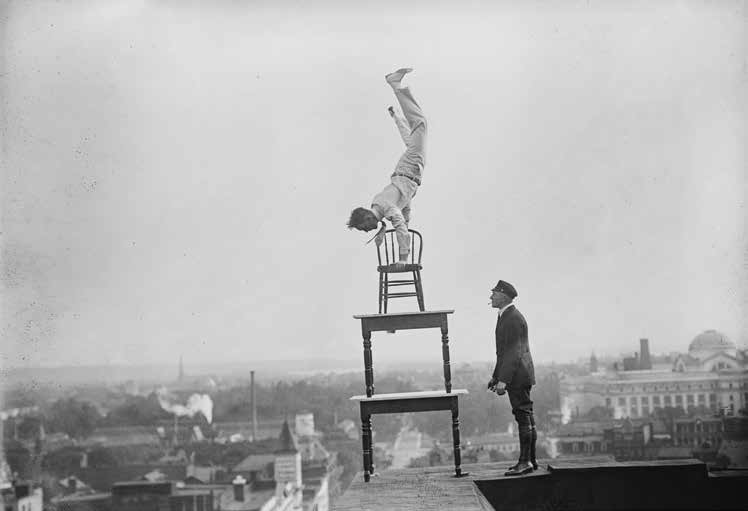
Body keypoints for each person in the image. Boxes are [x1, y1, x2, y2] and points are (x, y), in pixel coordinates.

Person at [347, 67, 427, 267]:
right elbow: (405, 208)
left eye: (364, 227)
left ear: (366, 217)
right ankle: (397, 109)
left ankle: (395, 84)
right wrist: (396, 119)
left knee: (420, 123)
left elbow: (399, 221)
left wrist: (403, 257)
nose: (367, 231)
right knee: (412, 138)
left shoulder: (384, 205)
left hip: (409, 170)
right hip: (411, 172)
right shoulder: (385, 207)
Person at [487, 280, 538, 476]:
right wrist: (495, 376)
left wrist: (504, 380)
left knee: (523, 417)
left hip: (517, 376)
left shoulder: (513, 318)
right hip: (519, 374)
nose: (491, 297)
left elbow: (514, 353)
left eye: (494, 294)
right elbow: (504, 352)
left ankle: (525, 463)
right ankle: (531, 461)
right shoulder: (506, 316)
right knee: (526, 416)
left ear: (504, 296)